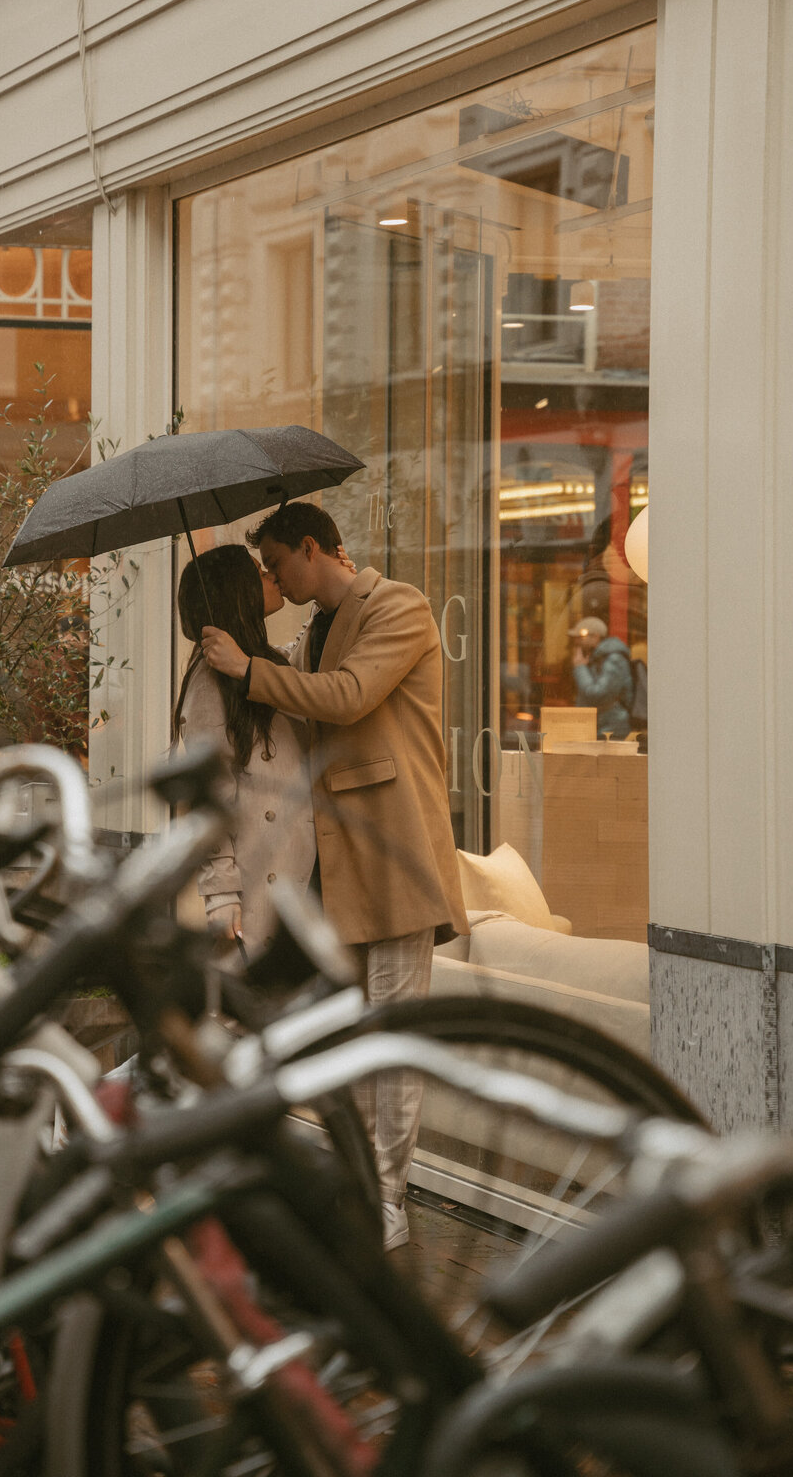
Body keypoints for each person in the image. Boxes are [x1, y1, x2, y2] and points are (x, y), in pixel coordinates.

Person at [202, 501, 467, 1250]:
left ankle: (388, 1202)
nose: (273, 579)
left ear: (313, 549)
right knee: (348, 1041)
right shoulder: (311, 633)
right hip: (336, 868)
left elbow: (349, 697)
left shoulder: (399, 607)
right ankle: (359, 1186)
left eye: (277, 563)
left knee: (391, 1040)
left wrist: (249, 670)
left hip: (396, 854)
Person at [173, 544, 316, 955]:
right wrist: (220, 895)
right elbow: (207, 798)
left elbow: (305, 680)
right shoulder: (208, 680)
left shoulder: (265, 664)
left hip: (299, 875)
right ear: (235, 591)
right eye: (259, 572)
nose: (271, 576)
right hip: (258, 887)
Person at [569, 615, 634, 740]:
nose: (577, 641)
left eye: (580, 637)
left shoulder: (615, 659)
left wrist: (580, 668)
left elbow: (599, 695)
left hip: (611, 730)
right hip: (601, 727)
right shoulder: (597, 657)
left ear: (595, 637)